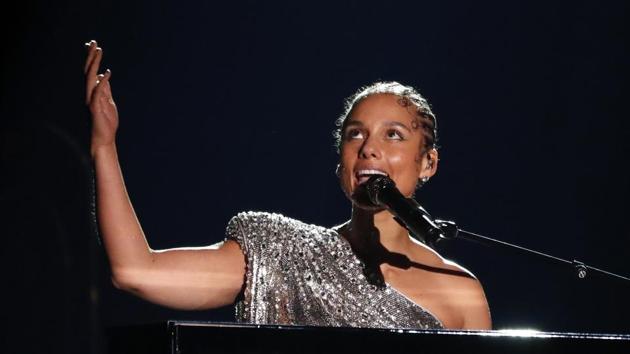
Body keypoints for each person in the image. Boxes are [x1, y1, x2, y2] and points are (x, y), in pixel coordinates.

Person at [85, 40, 491, 330]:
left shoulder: (461, 294)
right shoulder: (280, 253)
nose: (369, 149)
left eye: (394, 135)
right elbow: (135, 270)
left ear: (429, 163)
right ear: (340, 164)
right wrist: (104, 144)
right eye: (355, 134)